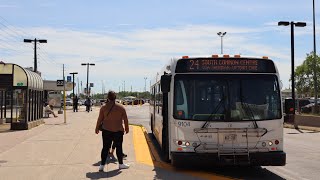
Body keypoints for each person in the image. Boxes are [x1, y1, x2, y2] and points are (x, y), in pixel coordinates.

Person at [95, 91, 130, 172]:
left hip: (106, 131)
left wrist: (96, 128)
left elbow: (100, 119)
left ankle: (102, 165)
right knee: (119, 147)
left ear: (108, 97)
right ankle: (121, 164)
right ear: (115, 98)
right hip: (118, 131)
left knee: (105, 148)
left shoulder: (103, 107)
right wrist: (127, 128)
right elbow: (125, 119)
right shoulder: (121, 107)